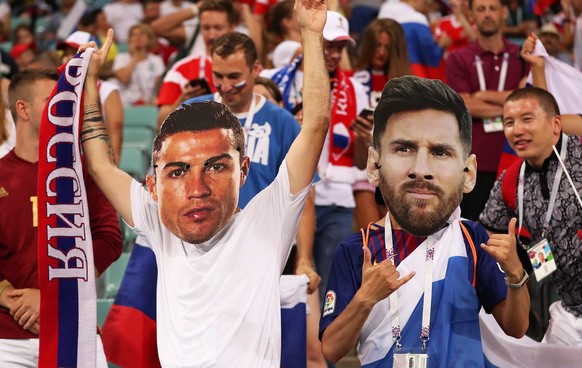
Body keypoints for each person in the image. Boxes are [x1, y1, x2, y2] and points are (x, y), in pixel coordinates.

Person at [78, 0, 330, 364]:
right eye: (178, 172)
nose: (197, 188)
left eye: (215, 167)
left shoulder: (266, 222)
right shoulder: (159, 223)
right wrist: (90, 86)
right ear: (153, 186)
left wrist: (310, 32)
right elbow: (100, 165)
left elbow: (316, 125)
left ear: (243, 170)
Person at [319, 76, 530, 366]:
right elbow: (331, 349)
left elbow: (516, 328)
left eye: (440, 152)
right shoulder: (357, 249)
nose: (421, 170)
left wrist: (516, 276)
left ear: (468, 173)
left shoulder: (473, 240)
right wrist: (365, 299)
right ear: (373, 166)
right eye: (404, 149)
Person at [0, 70, 122, 367]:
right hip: (6, 337)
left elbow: (110, 238)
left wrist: (52, 293)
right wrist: (7, 296)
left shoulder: (82, 172)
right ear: (23, 109)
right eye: (52, 100)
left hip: (75, 325)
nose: (62, 108)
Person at [479, 87, 582, 346]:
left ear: (555, 124)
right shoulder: (510, 181)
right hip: (567, 314)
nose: (517, 130)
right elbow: (485, 238)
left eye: (527, 119)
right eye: (509, 122)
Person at [446, 0, 529, 221]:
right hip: (474, 161)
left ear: (503, 13)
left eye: (493, 8)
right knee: (473, 233)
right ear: (471, 15)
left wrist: (483, 96)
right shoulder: (458, 57)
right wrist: (513, 105)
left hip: (518, 161)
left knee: (520, 234)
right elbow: (464, 106)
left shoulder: (523, 56)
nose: (487, 14)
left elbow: (531, 102)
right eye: (481, 9)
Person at [156, 0, 236, 126]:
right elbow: (160, 124)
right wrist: (182, 102)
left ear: (232, 27)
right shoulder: (180, 69)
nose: (211, 35)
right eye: (206, 28)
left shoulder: (245, 65)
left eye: (218, 28)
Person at [58, 31, 125, 164]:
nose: (67, 58)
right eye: (65, 53)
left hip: (97, 165)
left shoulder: (108, 90)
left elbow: (115, 137)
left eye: (74, 52)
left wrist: (112, 168)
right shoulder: (59, 90)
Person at [378, 0, 446, 80]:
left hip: (386, 70)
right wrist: (441, 46)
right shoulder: (418, 18)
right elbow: (429, 53)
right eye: (425, 2)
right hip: (413, 72)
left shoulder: (386, 8)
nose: (427, 5)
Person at [112, 23, 165, 106]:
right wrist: (134, 57)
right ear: (130, 39)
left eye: (142, 34)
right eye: (134, 35)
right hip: (126, 104)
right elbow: (123, 79)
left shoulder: (156, 60)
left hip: (149, 105)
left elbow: (160, 85)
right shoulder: (121, 58)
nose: (138, 37)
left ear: (149, 38)